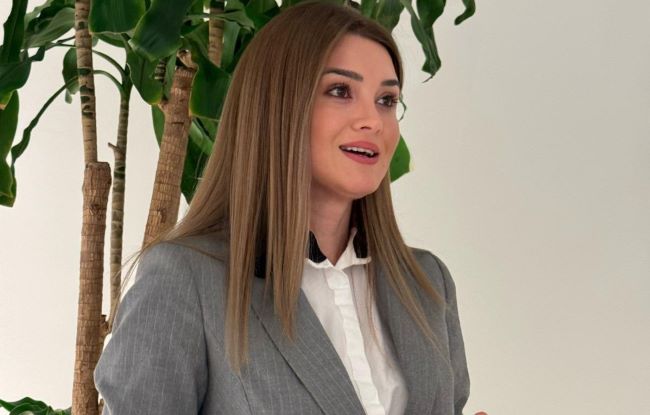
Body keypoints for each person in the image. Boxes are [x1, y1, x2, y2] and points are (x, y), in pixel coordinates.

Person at [94, 1, 484, 414]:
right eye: (340, 91)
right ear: (278, 105)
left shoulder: (427, 282)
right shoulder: (186, 280)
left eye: (386, 99)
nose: (373, 120)